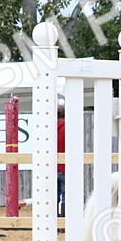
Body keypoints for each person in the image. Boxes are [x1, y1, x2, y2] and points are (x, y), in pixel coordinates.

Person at [56, 98, 66, 231]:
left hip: (52, 167)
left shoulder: (49, 128)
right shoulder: (67, 127)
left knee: (53, 195)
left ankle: (54, 222)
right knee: (65, 195)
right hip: (65, 166)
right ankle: (63, 223)